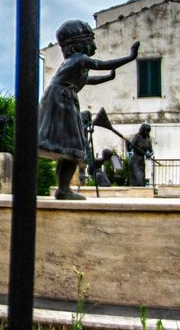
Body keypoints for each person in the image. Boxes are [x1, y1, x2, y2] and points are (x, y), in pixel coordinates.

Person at [39, 20, 139, 199]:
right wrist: (130, 57)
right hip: (61, 100)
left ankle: (63, 189)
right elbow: (102, 64)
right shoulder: (79, 59)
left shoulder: (75, 64)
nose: (94, 45)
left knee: (69, 149)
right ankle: (63, 189)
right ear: (80, 44)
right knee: (73, 146)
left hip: (62, 99)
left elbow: (88, 80)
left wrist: (108, 77)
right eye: (91, 40)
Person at [125, 122, 154, 187]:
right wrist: (127, 143)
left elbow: (151, 151)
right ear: (143, 130)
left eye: (148, 131)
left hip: (141, 162)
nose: (147, 133)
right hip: (135, 161)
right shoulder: (137, 137)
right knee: (136, 179)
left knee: (141, 180)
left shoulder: (148, 139)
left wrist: (149, 154)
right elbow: (129, 149)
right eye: (146, 131)